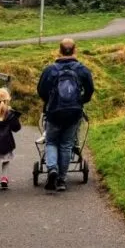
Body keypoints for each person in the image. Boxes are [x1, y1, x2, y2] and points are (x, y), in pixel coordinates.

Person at [36, 38, 94, 192]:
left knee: (51, 142)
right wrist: (80, 101)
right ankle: (61, 179)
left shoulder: (50, 70)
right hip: (74, 112)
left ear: (59, 50)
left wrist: (50, 102)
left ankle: (52, 169)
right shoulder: (82, 69)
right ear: (75, 50)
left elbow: (41, 91)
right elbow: (89, 91)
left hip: (54, 112)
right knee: (66, 144)